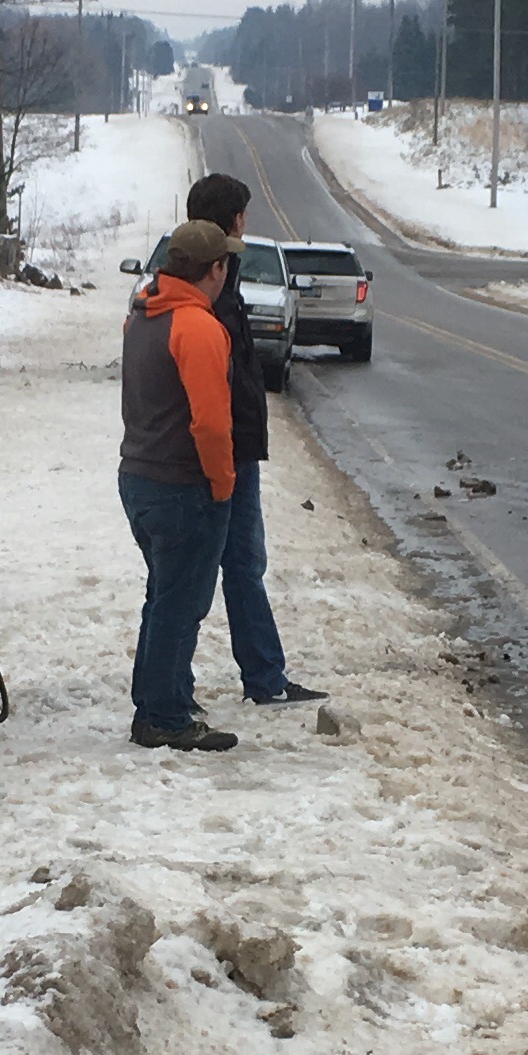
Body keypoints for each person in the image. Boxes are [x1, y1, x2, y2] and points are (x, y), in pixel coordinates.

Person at [183, 169, 325, 708]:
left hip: (232, 446)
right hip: (221, 451)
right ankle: (179, 687)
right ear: (234, 220)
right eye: (244, 215)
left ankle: (263, 675)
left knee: (239, 565)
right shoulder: (211, 286)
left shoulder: (223, 277)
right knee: (203, 573)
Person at [119, 218, 243, 751]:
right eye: (225, 264)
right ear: (214, 270)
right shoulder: (197, 328)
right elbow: (211, 424)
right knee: (180, 602)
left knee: (163, 595)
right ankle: (163, 717)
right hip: (182, 486)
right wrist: (223, 484)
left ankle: (157, 699)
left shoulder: (142, 315)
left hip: (138, 477)